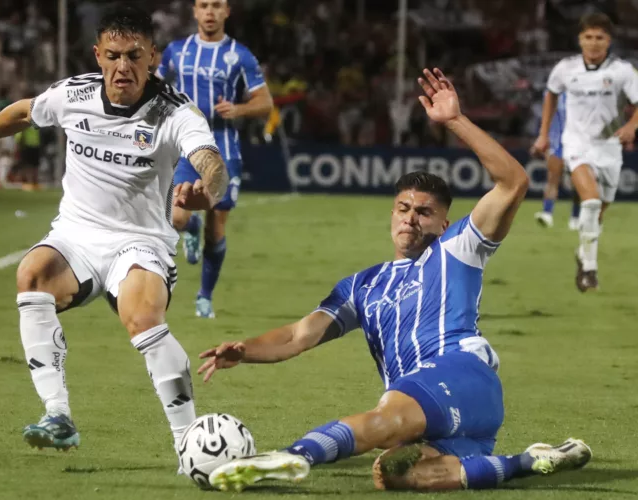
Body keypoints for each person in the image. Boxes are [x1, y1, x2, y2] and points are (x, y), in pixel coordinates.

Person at [198, 68, 592, 492]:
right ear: (391, 214)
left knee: (387, 417)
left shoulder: (458, 248)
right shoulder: (363, 285)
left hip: (459, 375)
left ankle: (289, 458)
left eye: (424, 212)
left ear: (444, 222)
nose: (410, 217)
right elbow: (298, 335)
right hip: (441, 415)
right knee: (394, 473)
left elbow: (513, 181)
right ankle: (527, 461)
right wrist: (245, 350)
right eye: (403, 208)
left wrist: (455, 121)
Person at [0, 4, 228, 464]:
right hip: (77, 235)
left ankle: (188, 440)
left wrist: (206, 193)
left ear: (153, 56)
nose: (123, 67)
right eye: (113, 55)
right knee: (31, 274)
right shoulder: (74, 95)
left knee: (143, 318)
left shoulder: (175, 113)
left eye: (134, 56)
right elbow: (25, 112)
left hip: (141, 241)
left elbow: (212, 163)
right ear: (98, 55)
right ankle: (58, 415)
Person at [156, 0, 273, 319]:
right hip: (183, 148)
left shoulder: (240, 55)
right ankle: (190, 225)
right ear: (195, 11)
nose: (209, 12)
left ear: (226, 12)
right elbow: (153, 89)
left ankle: (204, 297)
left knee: (217, 227)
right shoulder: (175, 51)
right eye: (204, 5)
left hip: (224, 152)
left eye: (216, 5)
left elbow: (265, 103)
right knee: (178, 216)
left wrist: (239, 109)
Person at [532, 12, 638, 292]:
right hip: (576, 145)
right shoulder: (565, 69)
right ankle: (589, 269)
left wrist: (632, 126)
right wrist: (544, 135)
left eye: (599, 38)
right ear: (580, 39)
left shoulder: (622, 71)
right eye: (588, 37)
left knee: (599, 212)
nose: (593, 43)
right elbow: (551, 94)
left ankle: (583, 253)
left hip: (610, 148)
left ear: (609, 41)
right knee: (589, 202)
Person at [532, 92, 581, 230]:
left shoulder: (582, 91)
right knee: (552, 179)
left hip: (576, 144)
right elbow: (545, 118)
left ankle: (575, 216)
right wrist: (543, 138)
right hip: (556, 143)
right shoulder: (552, 93)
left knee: (577, 183)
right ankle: (547, 214)